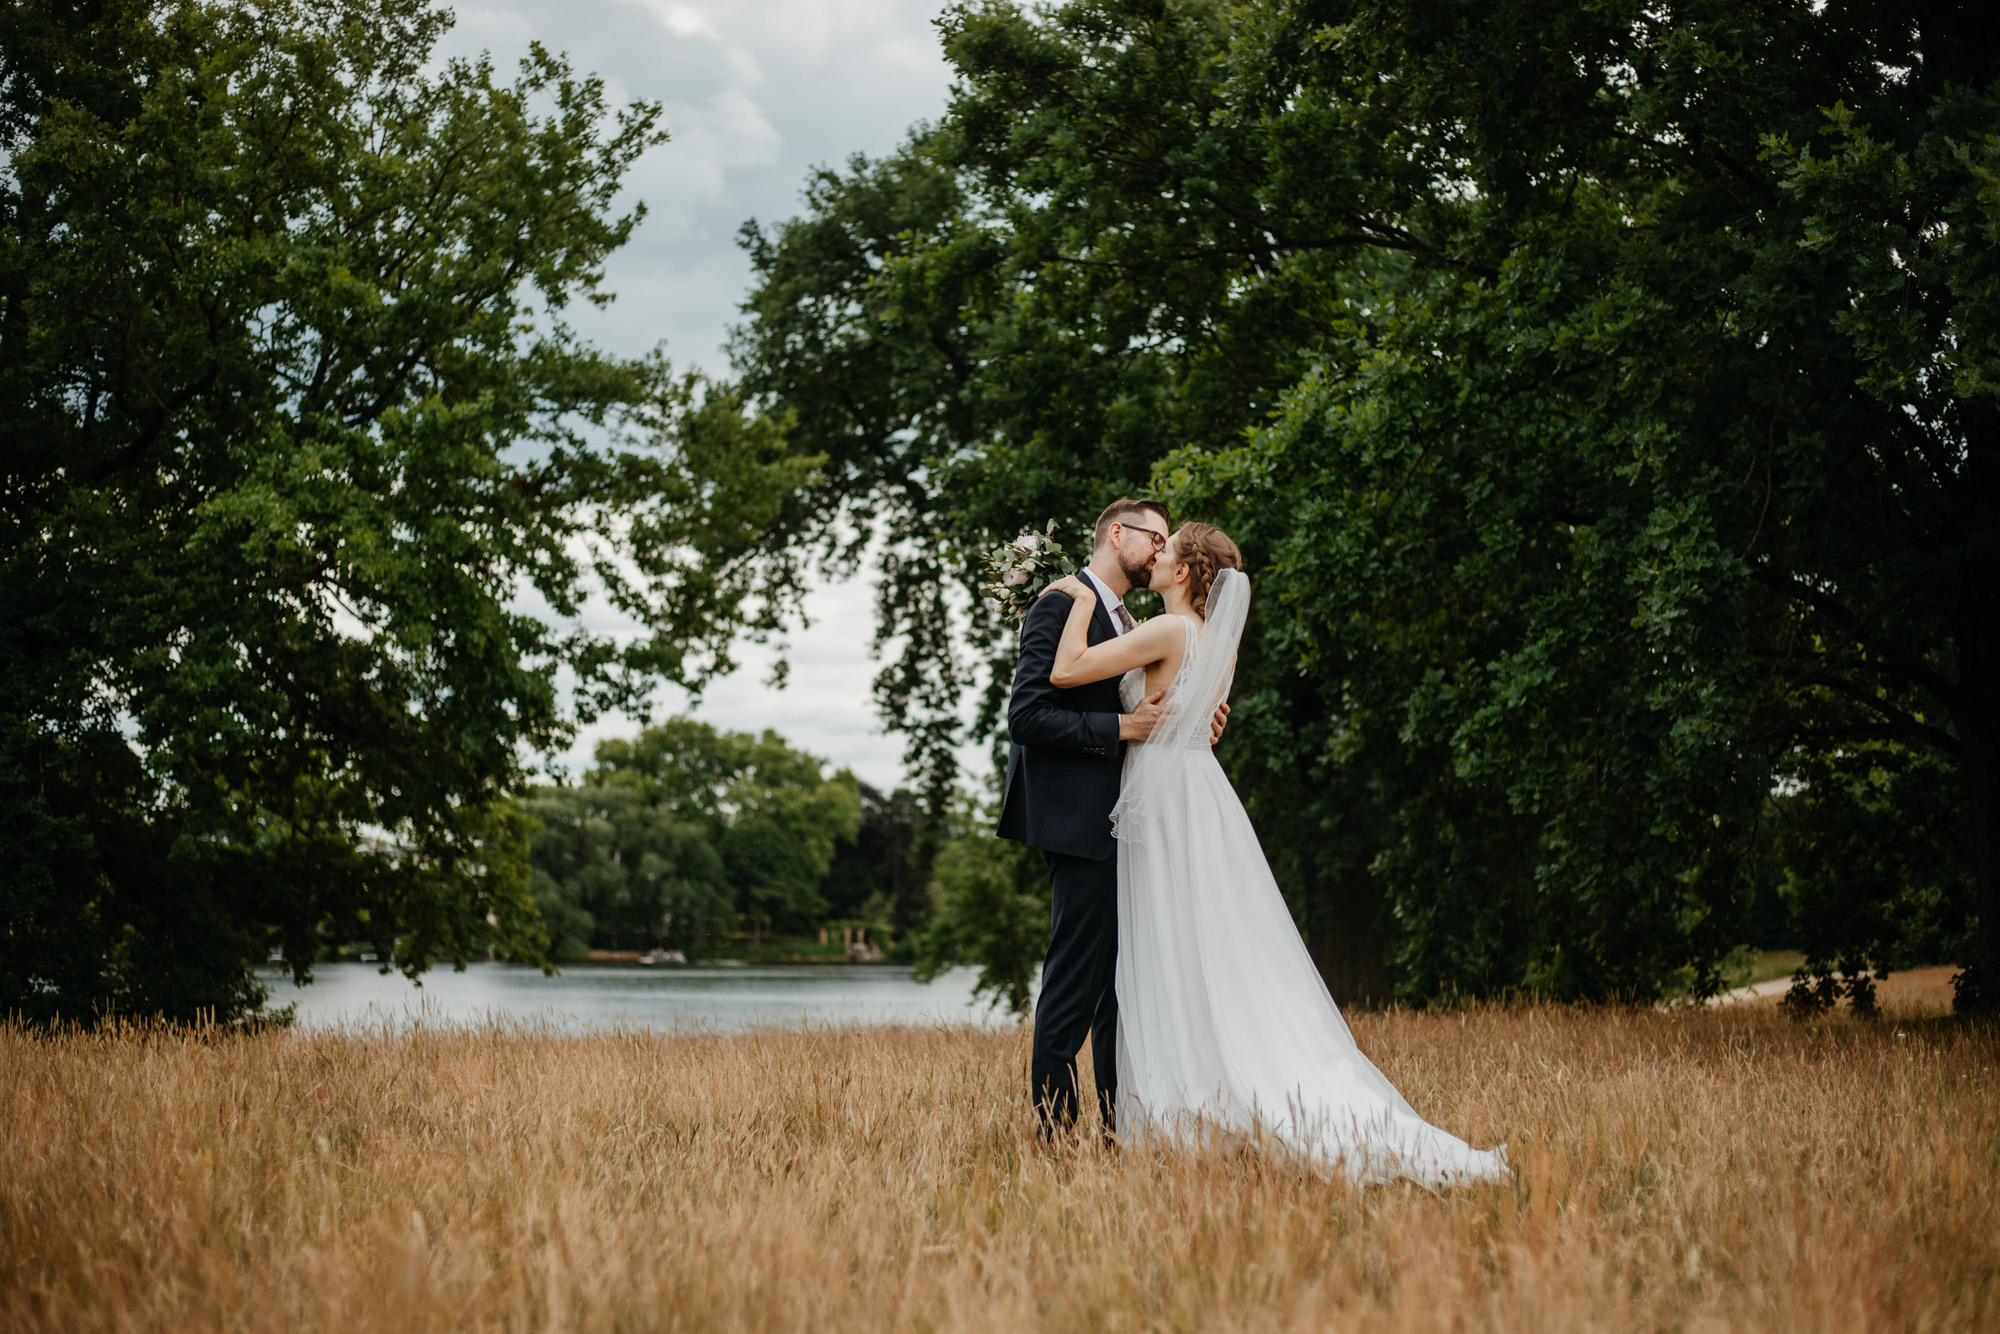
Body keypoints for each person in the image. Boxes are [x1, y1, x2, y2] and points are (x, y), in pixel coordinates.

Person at [1042, 523, 1511, 1188]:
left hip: (1169, 803)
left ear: (1185, 571)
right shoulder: (1211, 640)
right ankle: (1199, 1101)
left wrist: (1079, 599)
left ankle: (1190, 1107)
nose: (1158, 552)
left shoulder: (1170, 631)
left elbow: (1065, 672)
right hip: (1195, 793)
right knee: (1200, 946)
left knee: (1175, 946)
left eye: (1168, 548)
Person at [997, 498, 1228, 1142]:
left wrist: (1192, 715)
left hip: (1132, 819)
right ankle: (1055, 1130)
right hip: (1079, 817)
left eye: (1168, 544)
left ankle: (1120, 1125)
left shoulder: (1134, 616)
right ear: (1117, 534)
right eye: (1154, 537)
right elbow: (1027, 716)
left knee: (1122, 987)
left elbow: (1162, 691)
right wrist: (1126, 726)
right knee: (1076, 978)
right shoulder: (1062, 600)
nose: (1161, 550)